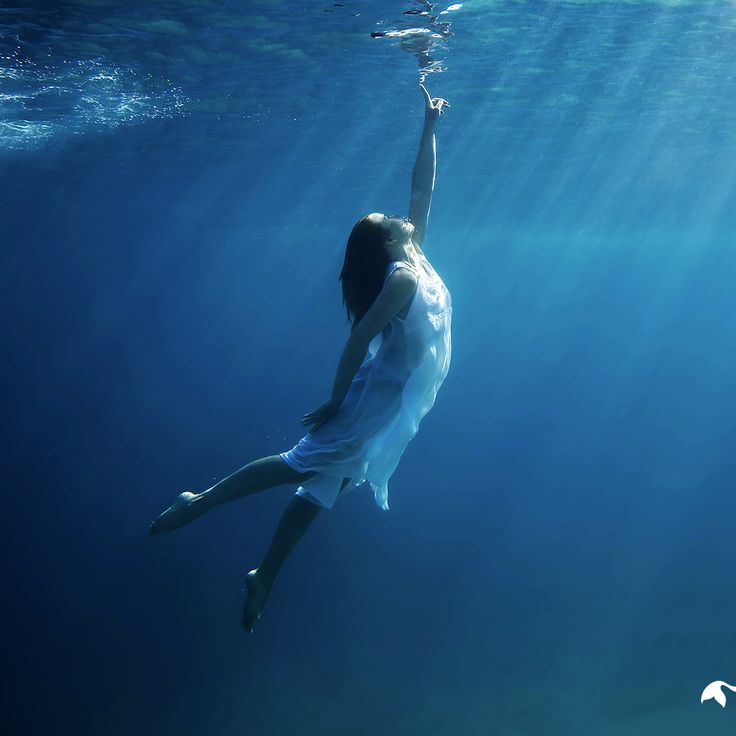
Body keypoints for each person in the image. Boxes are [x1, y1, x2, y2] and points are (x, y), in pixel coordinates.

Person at [149, 83, 453, 634]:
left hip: (396, 395)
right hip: (376, 398)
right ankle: (199, 501)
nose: (400, 215)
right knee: (303, 461)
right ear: (385, 242)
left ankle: (264, 574)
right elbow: (359, 341)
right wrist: (338, 400)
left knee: (327, 480)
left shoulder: (413, 249)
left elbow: (422, 189)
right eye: (391, 219)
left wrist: (429, 126)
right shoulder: (404, 277)